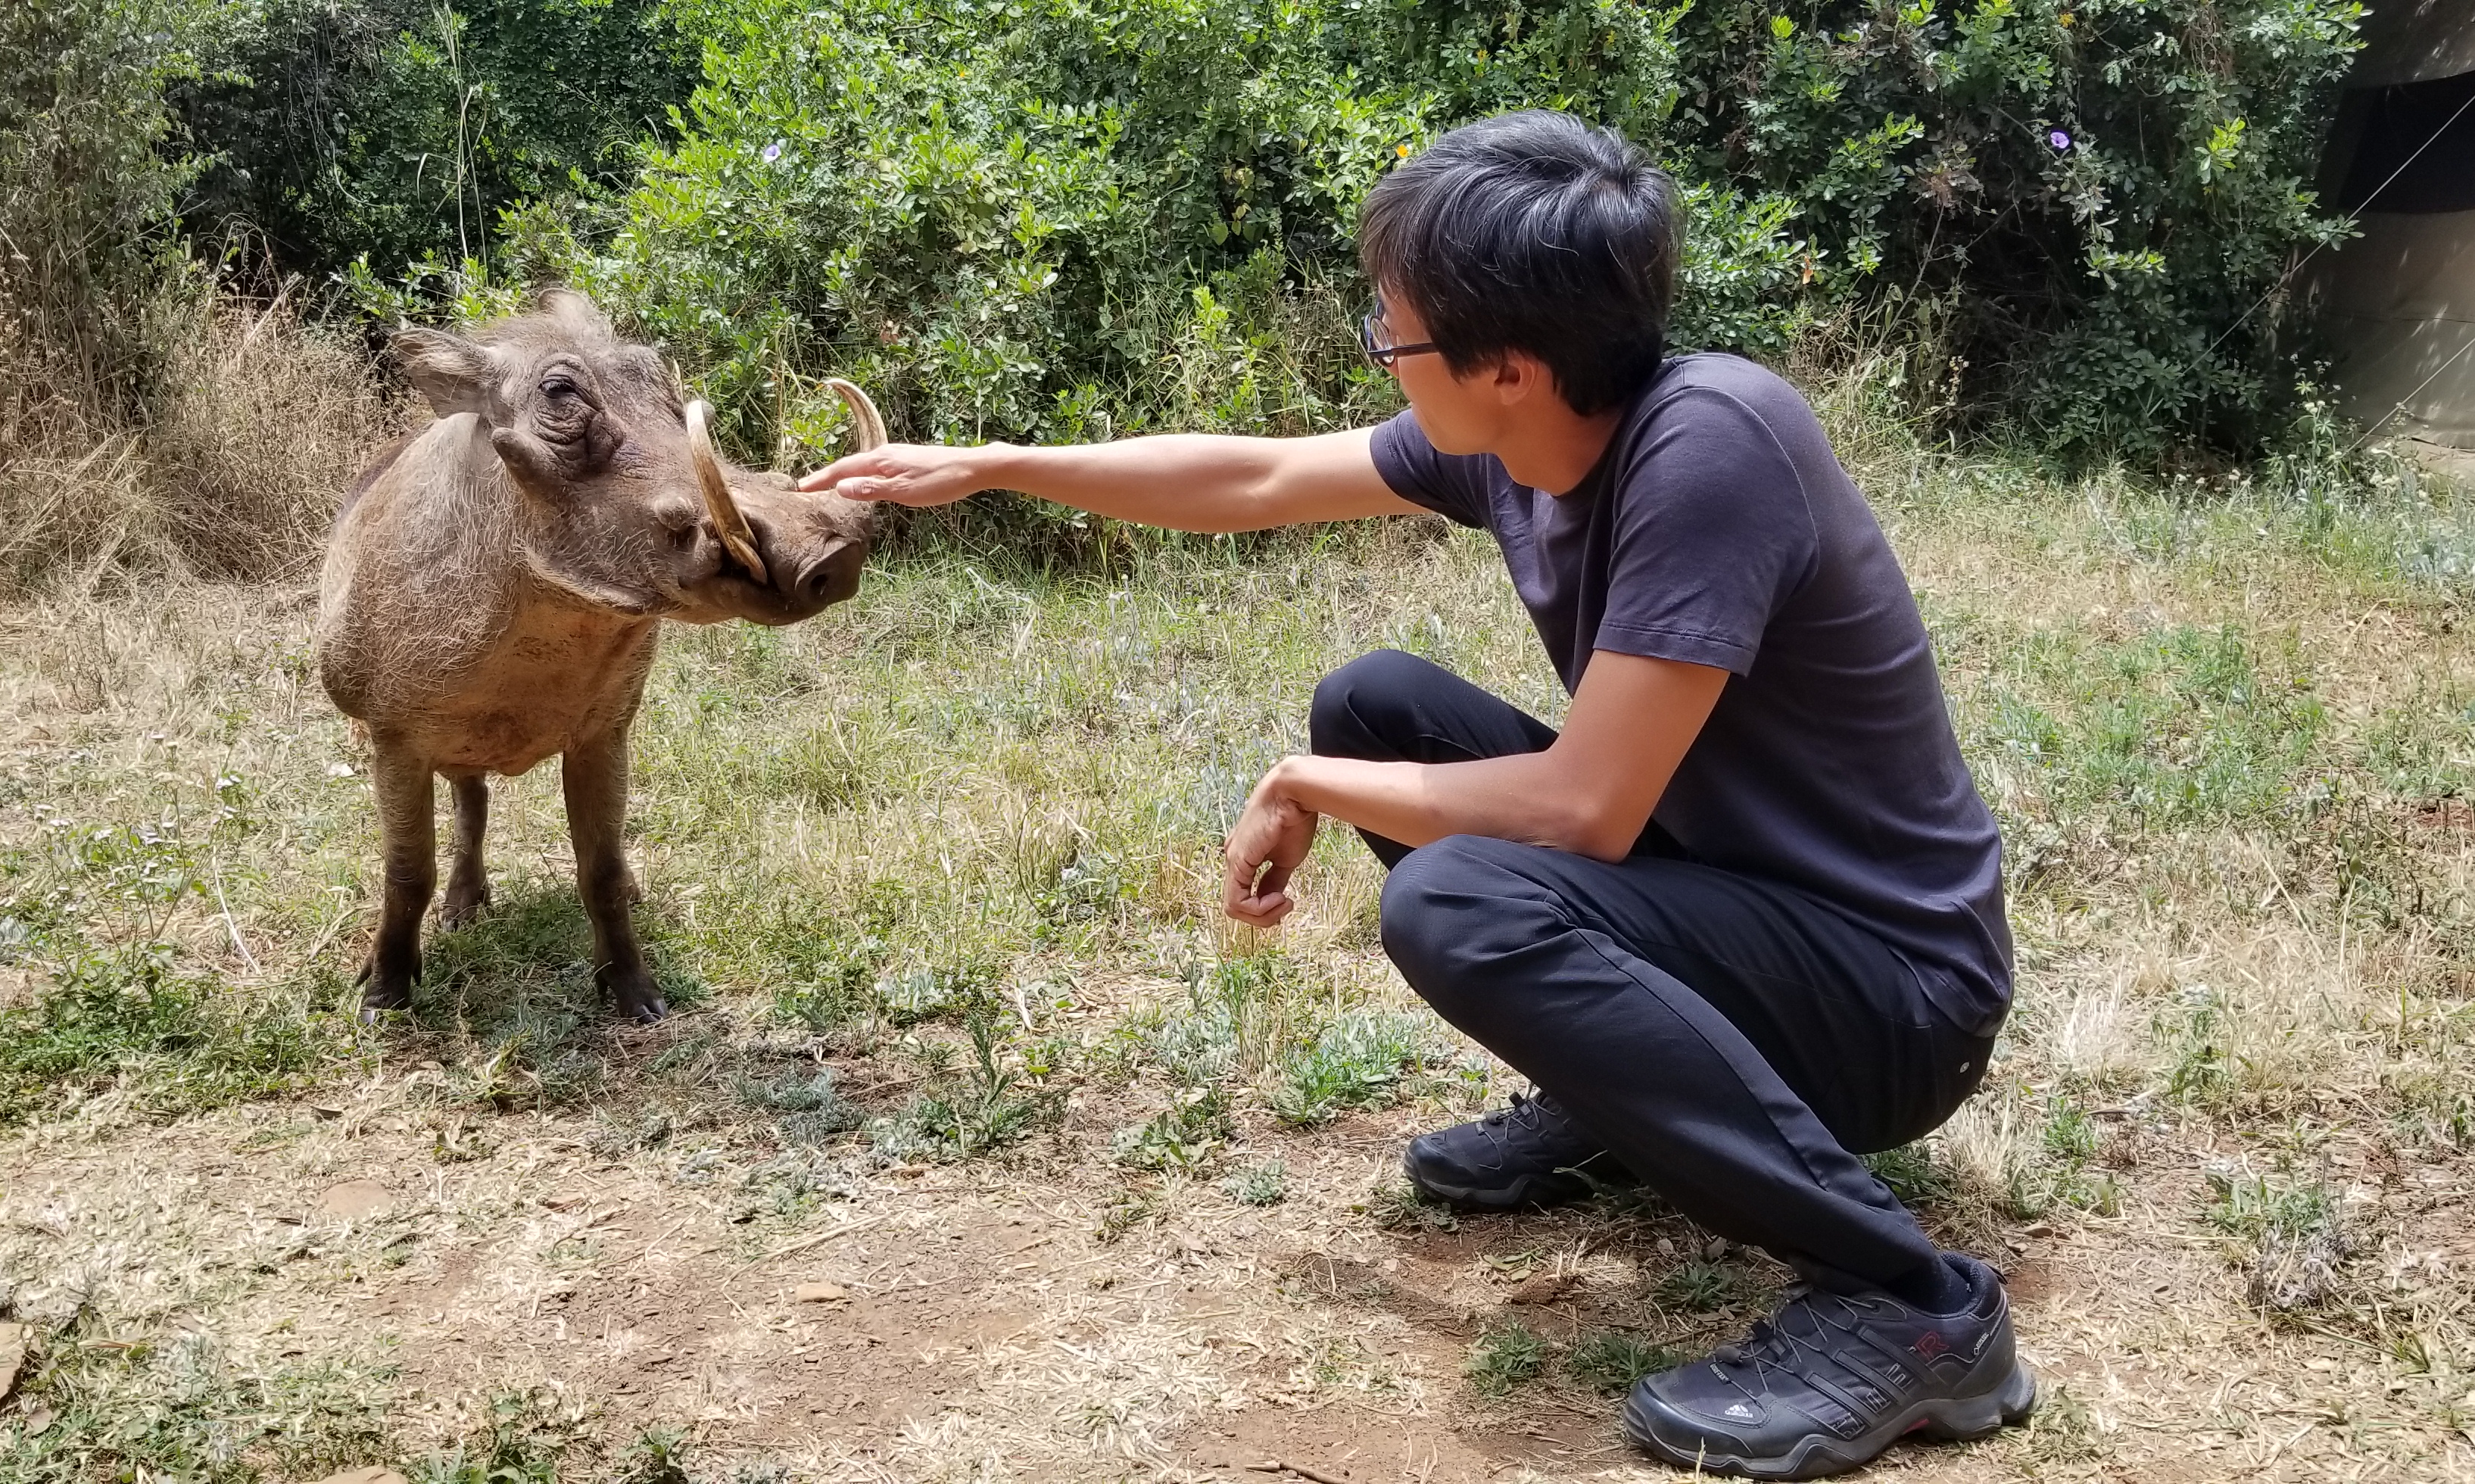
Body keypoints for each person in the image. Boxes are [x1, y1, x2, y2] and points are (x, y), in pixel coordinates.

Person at [798, 109, 2033, 1479]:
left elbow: (1583, 810)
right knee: (1375, 701)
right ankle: (1628, 1097)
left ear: (1507, 365)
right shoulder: (1519, 426)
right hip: (1745, 915)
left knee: (1461, 900)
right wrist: (996, 465)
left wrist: (1297, 783)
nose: (1379, 351)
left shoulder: (1712, 446)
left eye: (1393, 332)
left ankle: (1913, 1307)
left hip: (1895, 1000)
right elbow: (1259, 473)